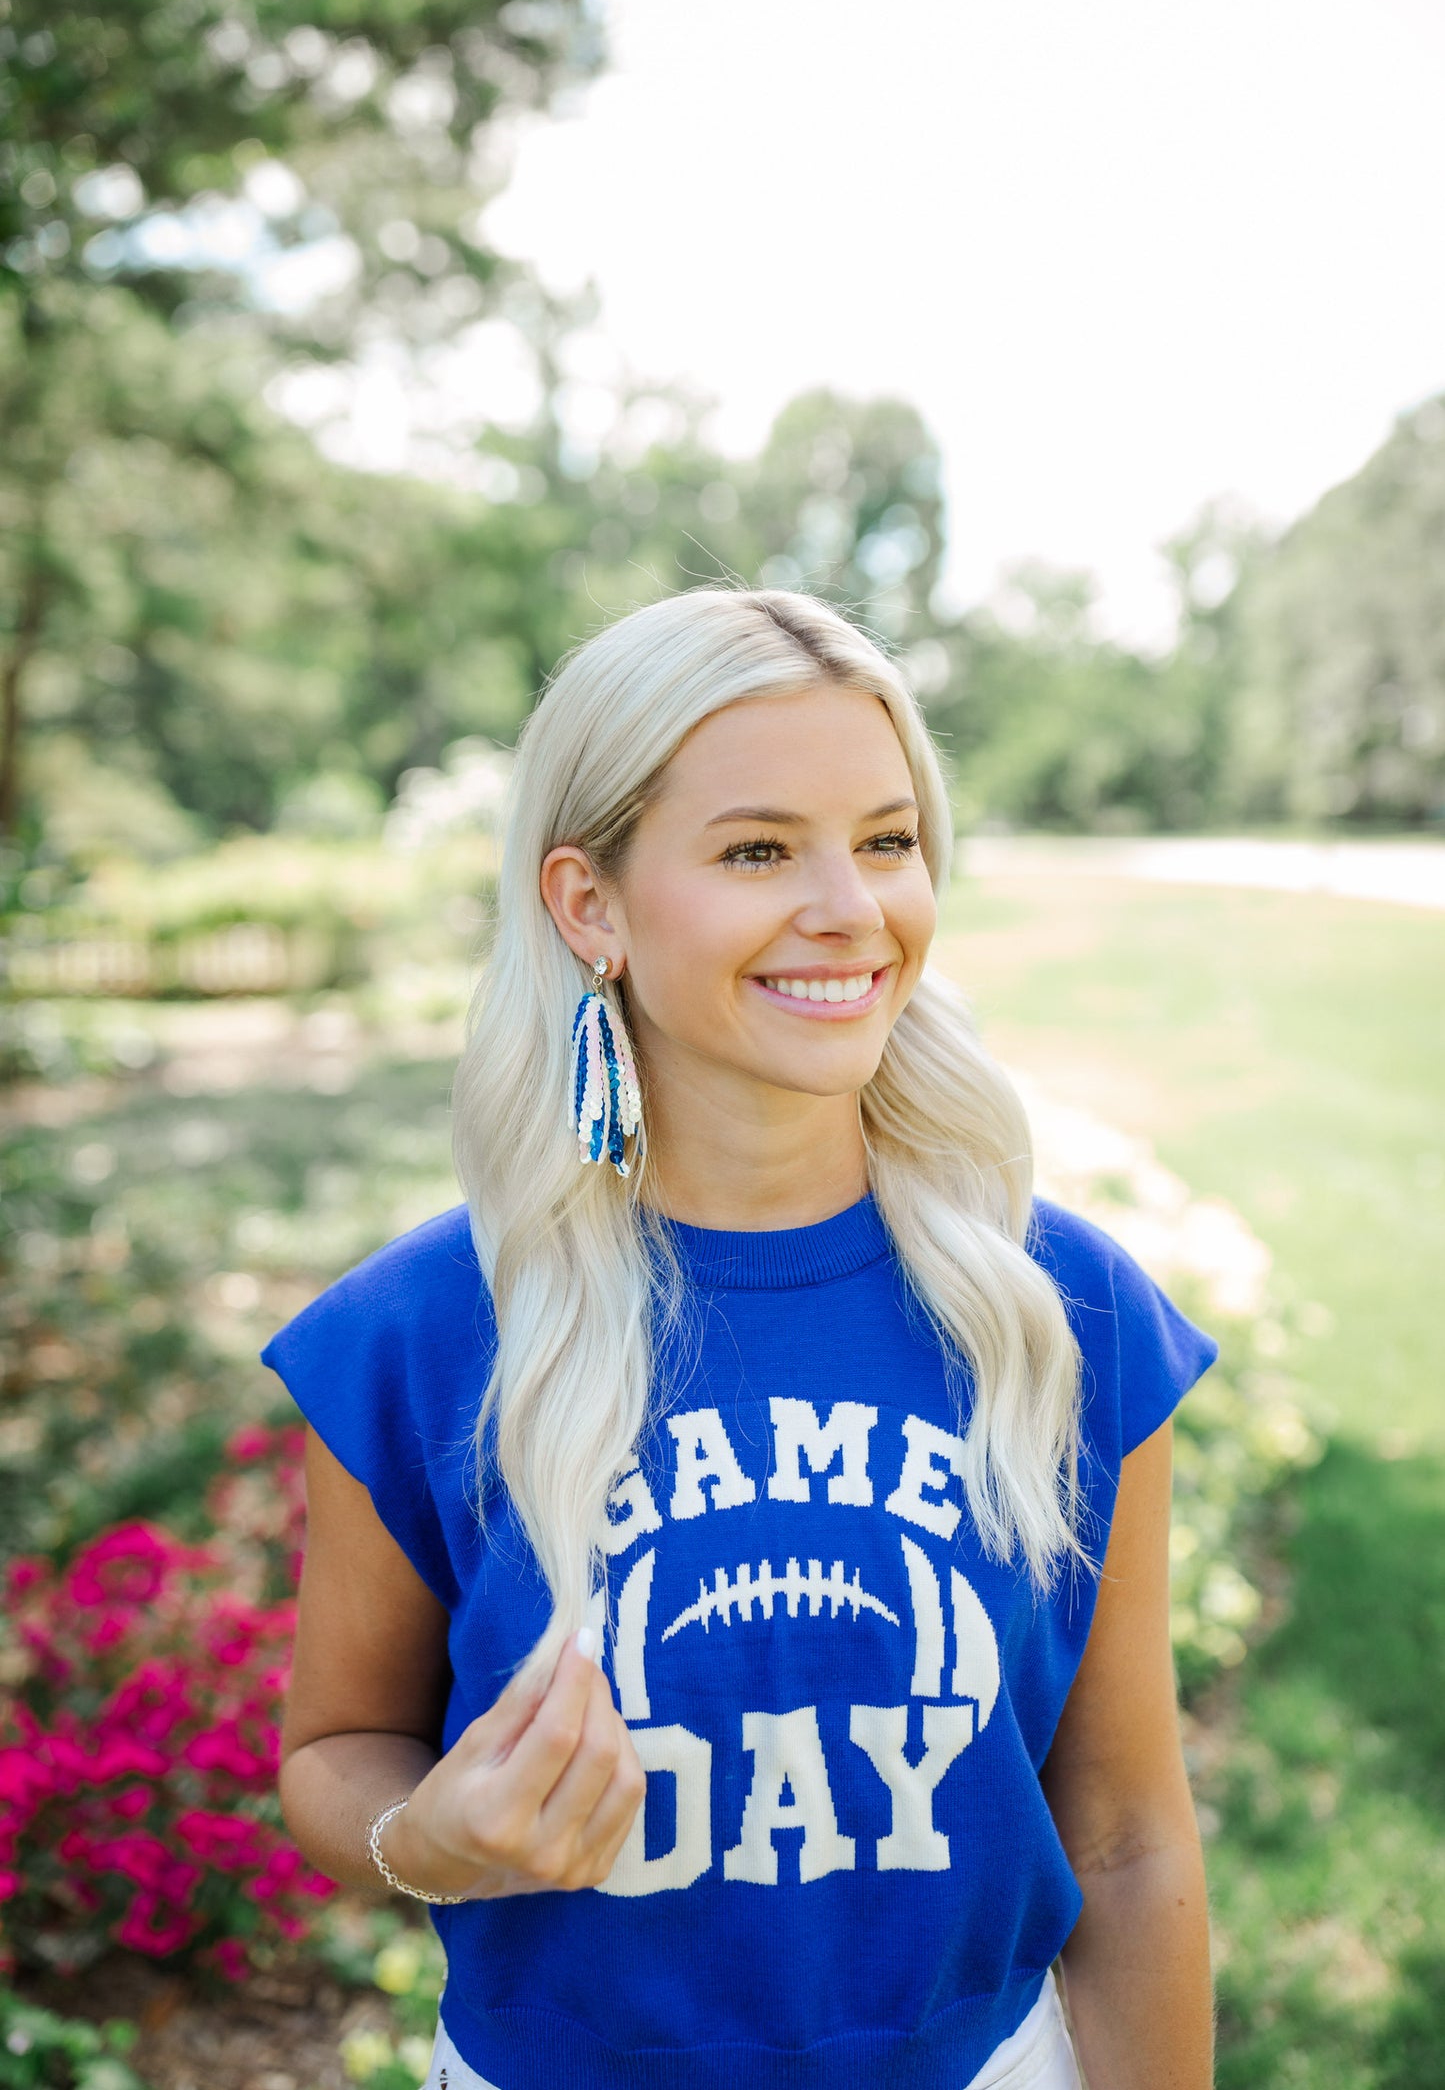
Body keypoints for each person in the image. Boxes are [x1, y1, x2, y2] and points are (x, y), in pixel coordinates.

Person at [266, 588, 1217, 2090]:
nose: (852, 907)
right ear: (588, 906)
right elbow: (332, 1753)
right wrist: (425, 1838)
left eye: (888, 840)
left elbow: (1124, 1828)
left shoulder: (1063, 1314)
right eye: (758, 849)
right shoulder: (422, 1334)